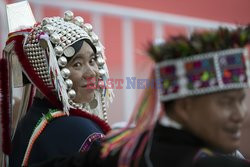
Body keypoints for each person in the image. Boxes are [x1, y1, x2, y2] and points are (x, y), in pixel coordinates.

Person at [33, 25, 250, 167]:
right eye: (226, 102)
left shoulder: (121, 152)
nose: (240, 114)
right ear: (185, 107)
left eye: (241, 100)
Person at [0, 1, 114, 167]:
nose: (92, 73)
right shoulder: (75, 128)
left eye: (92, 60)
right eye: (77, 64)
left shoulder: (33, 118)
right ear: (49, 73)